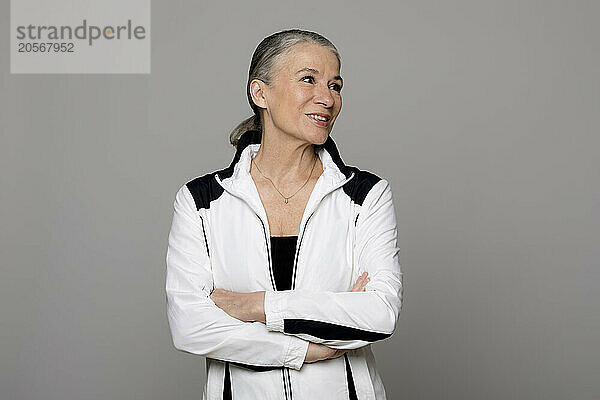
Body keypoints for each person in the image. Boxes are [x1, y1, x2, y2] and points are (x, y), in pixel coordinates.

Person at [166, 29, 403, 400]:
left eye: (335, 85)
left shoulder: (365, 195)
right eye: (308, 79)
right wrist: (309, 349)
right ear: (260, 93)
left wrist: (257, 306)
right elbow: (190, 325)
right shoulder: (201, 201)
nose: (327, 98)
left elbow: (380, 314)